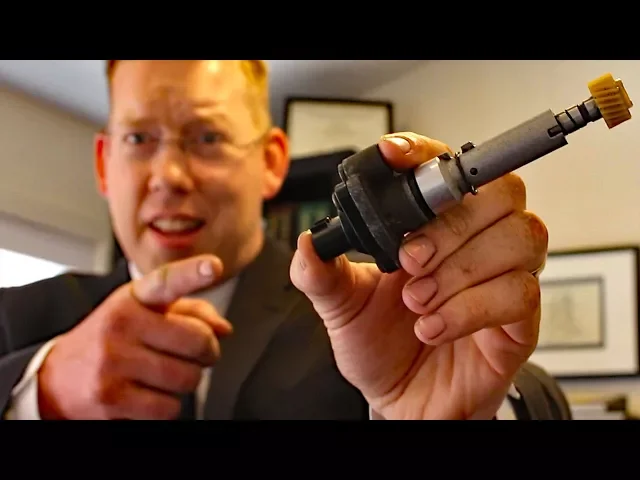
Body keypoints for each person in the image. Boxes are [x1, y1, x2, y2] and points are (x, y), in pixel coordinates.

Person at [0, 60, 561, 420]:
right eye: (139, 138)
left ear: (270, 162)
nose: (168, 176)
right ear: (105, 163)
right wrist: (38, 400)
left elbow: (538, 398)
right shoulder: (15, 321)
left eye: (208, 137)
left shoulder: (372, 317)